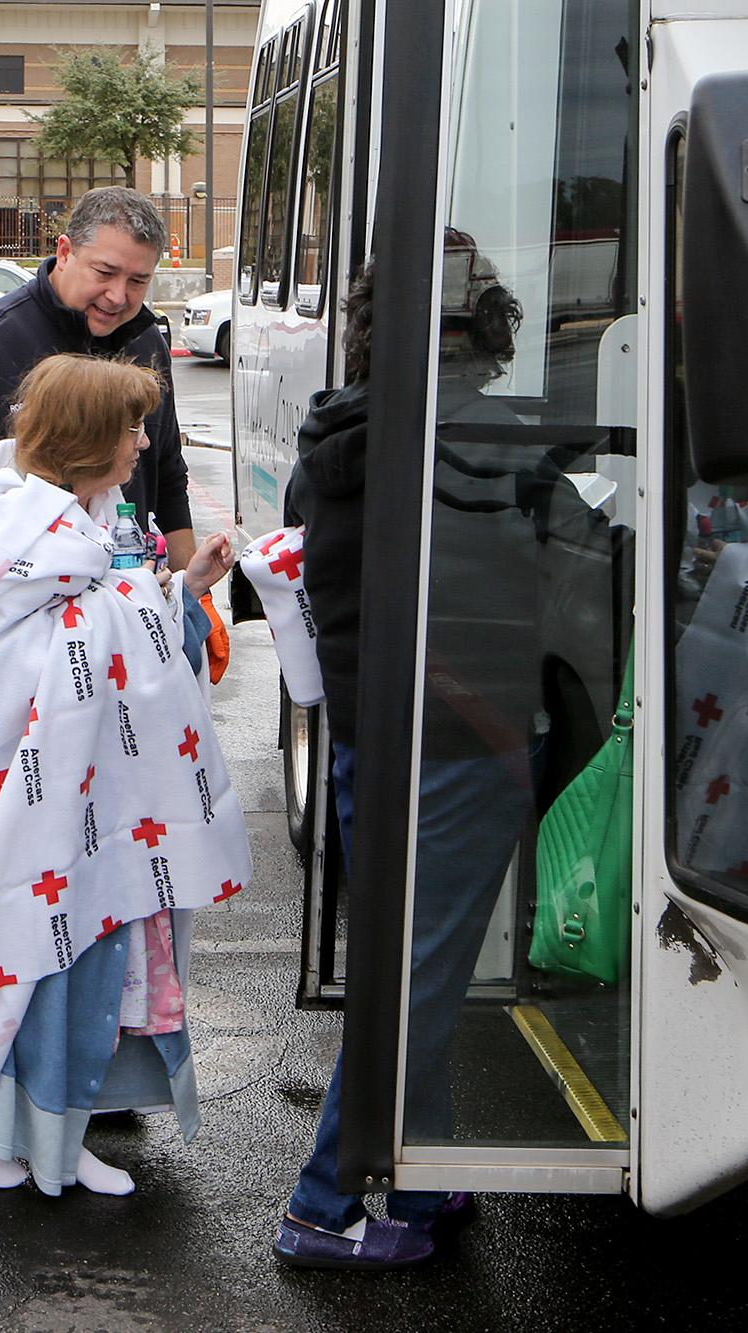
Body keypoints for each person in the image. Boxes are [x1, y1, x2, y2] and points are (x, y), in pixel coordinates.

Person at [0, 354, 249, 1196]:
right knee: (26, 977)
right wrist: (149, 599)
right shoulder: (27, 537)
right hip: (25, 819)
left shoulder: (73, 519)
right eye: (131, 427)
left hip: (80, 815)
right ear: (89, 437)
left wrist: (182, 586)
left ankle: (55, 1140)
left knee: (79, 980)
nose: (144, 441)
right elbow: (46, 653)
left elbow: (102, 619)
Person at [272, 241, 535, 1269]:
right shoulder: (470, 436)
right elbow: (534, 572)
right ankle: (326, 1203)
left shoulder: (340, 426)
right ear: (476, 327)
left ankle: (411, 1169)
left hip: (372, 734)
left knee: (409, 965)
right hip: (462, 738)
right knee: (417, 980)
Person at [0, 185, 226, 682]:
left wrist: (199, 599)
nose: (118, 296)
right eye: (105, 273)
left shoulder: (147, 341)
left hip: (129, 619)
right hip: (17, 635)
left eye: (138, 281)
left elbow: (167, 477)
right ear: (65, 252)